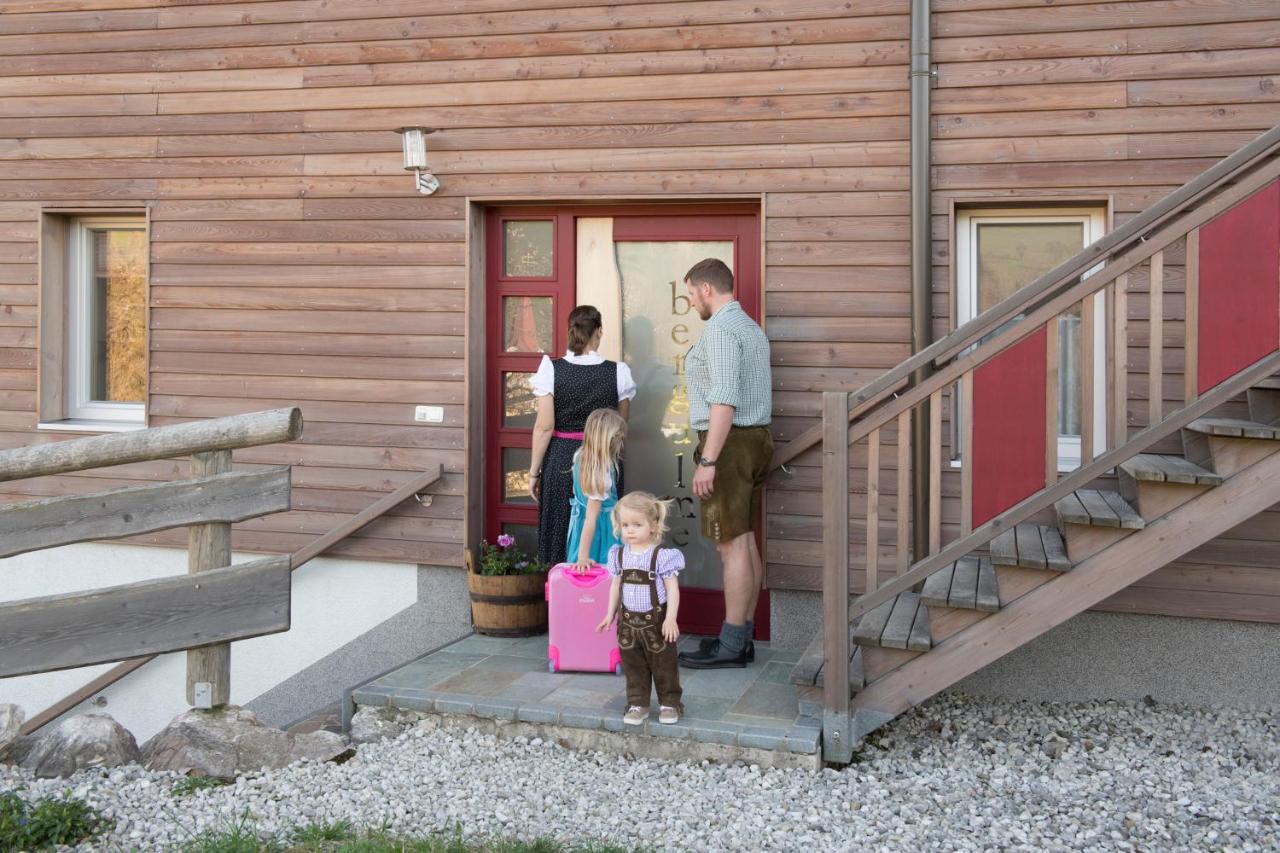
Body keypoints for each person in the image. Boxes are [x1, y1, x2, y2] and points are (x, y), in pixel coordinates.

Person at [675, 258, 772, 670]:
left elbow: (724, 400)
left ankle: (731, 643)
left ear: (706, 290)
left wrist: (708, 459)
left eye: (691, 293)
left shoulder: (718, 330)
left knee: (729, 544)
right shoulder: (749, 327)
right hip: (754, 440)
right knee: (744, 539)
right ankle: (742, 635)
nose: (691, 301)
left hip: (729, 445)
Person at [528, 305, 636, 566]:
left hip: (563, 459)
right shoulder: (617, 371)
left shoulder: (551, 369)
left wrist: (533, 472)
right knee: (602, 524)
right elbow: (621, 422)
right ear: (598, 332)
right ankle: (600, 594)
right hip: (603, 458)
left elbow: (544, 426)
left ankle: (563, 595)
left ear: (571, 332)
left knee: (561, 526)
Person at [595, 491, 684, 725]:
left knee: (664, 665)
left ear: (653, 526)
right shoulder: (619, 555)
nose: (630, 530)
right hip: (628, 624)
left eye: (637, 524)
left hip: (657, 624)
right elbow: (616, 586)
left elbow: (672, 589)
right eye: (625, 525)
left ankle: (670, 703)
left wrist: (671, 619)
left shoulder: (662, 557)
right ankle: (638, 703)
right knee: (633, 666)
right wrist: (609, 614)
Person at [565, 408, 626, 571]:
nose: (621, 443)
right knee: (603, 571)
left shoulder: (580, 455)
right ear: (610, 440)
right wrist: (583, 556)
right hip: (601, 530)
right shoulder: (600, 473)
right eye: (619, 438)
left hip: (582, 523)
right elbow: (591, 518)